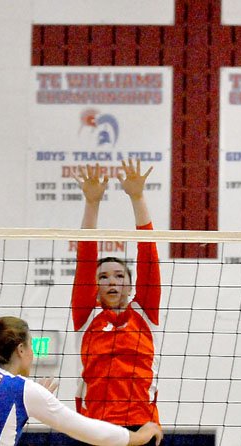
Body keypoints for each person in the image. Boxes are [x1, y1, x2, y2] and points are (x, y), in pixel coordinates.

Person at [0, 316, 162, 446]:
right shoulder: (21, 389)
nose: (33, 354)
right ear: (21, 350)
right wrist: (138, 437)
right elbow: (90, 431)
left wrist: (30, 404)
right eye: (31, 346)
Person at [71, 159, 161, 443]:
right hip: (95, 427)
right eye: (104, 277)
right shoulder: (86, 317)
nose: (112, 281)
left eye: (119, 276)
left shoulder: (144, 314)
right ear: (94, 288)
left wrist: (137, 197)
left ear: (131, 284)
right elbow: (86, 257)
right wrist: (92, 204)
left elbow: (148, 255)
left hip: (143, 426)